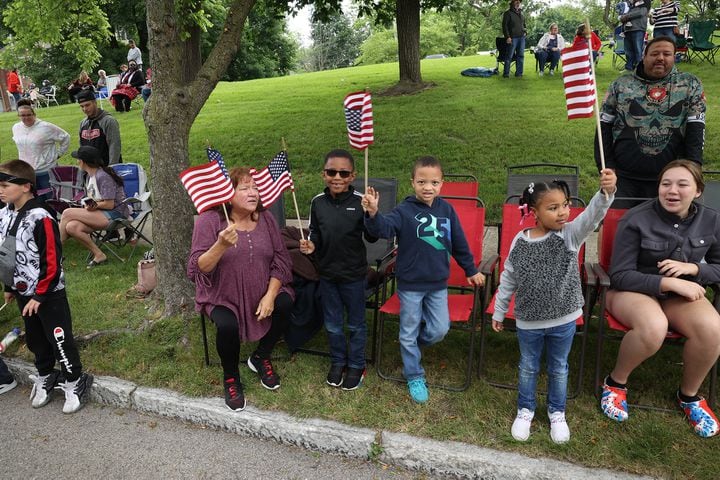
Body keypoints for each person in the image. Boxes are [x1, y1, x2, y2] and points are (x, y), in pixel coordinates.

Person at [491, 172, 617, 444]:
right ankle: (525, 410)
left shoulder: (570, 235)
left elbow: (592, 217)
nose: (562, 213)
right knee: (528, 366)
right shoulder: (519, 242)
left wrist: (606, 193)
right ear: (534, 212)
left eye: (565, 205)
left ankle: (557, 412)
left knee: (559, 367)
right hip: (529, 321)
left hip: (564, 318)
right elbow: (509, 277)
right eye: (553, 207)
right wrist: (500, 311)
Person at [599, 160, 720, 438]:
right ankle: (616, 382)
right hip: (632, 291)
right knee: (654, 326)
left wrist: (695, 269)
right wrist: (667, 282)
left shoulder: (712, 220)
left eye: (682, 184)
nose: (672, 190)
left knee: (712, 328)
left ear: (698, 191)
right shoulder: (636, 218)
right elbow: (620, 275)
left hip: (680, 294)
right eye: (666, 184)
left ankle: (688, 396)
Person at [362, 156, 485, 403]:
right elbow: (383, 229)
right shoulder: (404, 211)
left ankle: (412, 343)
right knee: (407, 330)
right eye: (422, 181)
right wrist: (374, 213)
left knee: (440, 329)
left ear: (441, 184)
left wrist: (471, 269)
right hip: (410, 286)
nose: (428, 187)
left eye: (434, 182)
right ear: (413, 183)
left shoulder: (446, 210)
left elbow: (459, 243)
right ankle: (414, 374)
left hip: (437, 284)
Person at [188, 167, 294, 411]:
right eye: (244, 188)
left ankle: (260, 356)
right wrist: (220, 245)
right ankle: (231, 377)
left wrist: (270, 295)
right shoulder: (209, 220)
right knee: (227, 325)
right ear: (228, 193)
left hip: (261, 289)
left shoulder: (265, 219)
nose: (253, 192)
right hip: (221, 294)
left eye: (255, 187)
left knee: (285, 303)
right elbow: (197, 269)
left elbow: (281, 260)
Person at [0, 159, 93, 413]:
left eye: (6, 184)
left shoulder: (41, 217)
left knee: (59, 338)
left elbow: (52, 261)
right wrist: (8, 285)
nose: (1, 189)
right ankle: (45, 375)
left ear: (26, 186)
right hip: (22, 291)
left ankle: (74, 380)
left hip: (48, 294)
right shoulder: (5, 213)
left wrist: (40, 295)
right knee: (36, 339)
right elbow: (6, 252)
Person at [299, 149, 375, 391]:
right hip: (328, 275)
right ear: (324, 174)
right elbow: (316, 234)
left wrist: (372, 213)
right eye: (332, 172)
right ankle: (338, 361)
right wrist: (311, 244)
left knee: (355, 325)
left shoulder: (360, 201)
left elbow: (373, 237)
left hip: (353, 276)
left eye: (344, 173)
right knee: (332, 323)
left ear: (353, 176)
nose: (337, 177)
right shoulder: (317, 203)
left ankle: (356, 364)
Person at [595, 37, 705, 201]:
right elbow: (603, 127)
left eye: (667, 53)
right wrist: (606, 166)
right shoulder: (620, 85)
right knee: (616, 224)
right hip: (623, 178)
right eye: (655, 53)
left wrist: (693, 169)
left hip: (670, 181)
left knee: (668, 226)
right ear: (643, 56)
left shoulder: (690, 84)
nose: (660, 57)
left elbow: (696, 130)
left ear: (674, 57)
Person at [59, 146, 130, 267]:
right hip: (101, 213)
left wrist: (94, 206)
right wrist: (90, 206)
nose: (77, 162)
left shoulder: (103, 176)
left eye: (78, 159)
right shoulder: (90, 176)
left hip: (116, 214)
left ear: (83, 161)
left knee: (67, 213)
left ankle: (53, 254)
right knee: (72, 226)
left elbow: (109, 204)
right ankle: (99, 255)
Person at [11, 99, 70, 199]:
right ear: (19, 116)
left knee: (51, 200)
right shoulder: (16, 127)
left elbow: (65, 137)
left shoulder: (46, 127)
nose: (26, 118)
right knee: (34, 200)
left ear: (34, 114)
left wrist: (58, 154)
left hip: (45, 171)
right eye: (22, 115)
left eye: (28, 115)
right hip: (27, 172)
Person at [77, 88, 122, 165]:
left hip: (106, 167)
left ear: (95, 102)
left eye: (87, 105)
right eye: (82, 106)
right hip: (90, 169)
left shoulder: (108, 121)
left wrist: (112, 168)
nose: (85, 109)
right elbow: (82, 147)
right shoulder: (83, 123)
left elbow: (114, 146)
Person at [620, 0, 650, 71]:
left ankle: (639, 68)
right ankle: (629, 68)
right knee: (628, 51)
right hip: (627, 30)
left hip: (638, 28)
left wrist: (627, 16)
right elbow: (623, 14)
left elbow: (641, 12)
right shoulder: (629, 4)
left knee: (638, 50)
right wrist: (622, 18)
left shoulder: (646, 1)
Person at [501, 0, 526, 78]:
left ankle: (519, 73)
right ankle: (506, 74)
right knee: (509, 56)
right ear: (512, 3)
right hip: (512, 38)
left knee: (521, 56)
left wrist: (525, 31)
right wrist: (507, 37)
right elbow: (504, 26)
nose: (518, 3)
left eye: (519, 2)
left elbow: (524, 25)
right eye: (516, 1)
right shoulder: (507, 13)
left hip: (521, 38)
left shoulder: (521, 14)